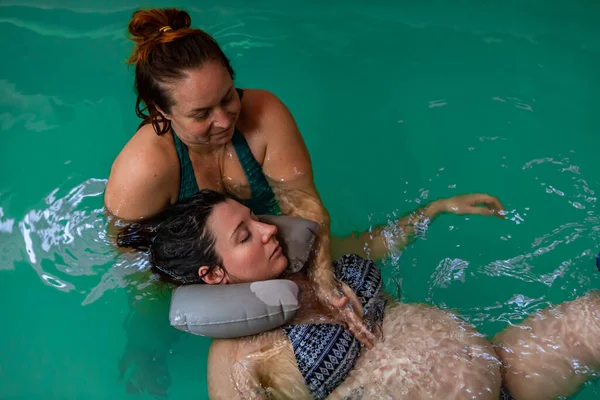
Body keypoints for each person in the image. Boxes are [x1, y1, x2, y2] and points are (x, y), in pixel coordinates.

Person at [119, 189, 600, 399]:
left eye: (254, 218)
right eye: (244, 236)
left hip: (504, 377)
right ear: (215, 275)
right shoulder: (234, 359)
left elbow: (377, 242)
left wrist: (436, 209)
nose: (267, 230)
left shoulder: (308, 259)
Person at [104, 6, 370, 344]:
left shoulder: (265, 116)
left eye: (228, 97)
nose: (225, 120)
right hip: (209, 264)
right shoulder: (143, 170)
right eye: (201, 114)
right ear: (161, 111)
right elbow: (136, 266)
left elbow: (303, 203)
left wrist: (322, 284)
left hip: (259, 243)